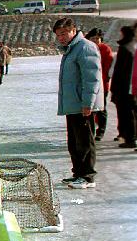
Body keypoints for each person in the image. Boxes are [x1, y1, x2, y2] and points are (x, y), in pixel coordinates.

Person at [53, 18, 103, 189]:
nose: (61, 37)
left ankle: (88, 176)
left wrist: (87, 103)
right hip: (73, 104)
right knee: (74, 142)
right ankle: (78, 173)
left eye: (64, 33)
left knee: (84, 141)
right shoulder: (71, 50)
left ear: (73, 31)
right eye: (58, 35)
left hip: (83, 105)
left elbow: (91, 78)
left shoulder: (85, 47)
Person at [110, 24, 136, 147]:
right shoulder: (127, 47)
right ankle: (126, 136)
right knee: (125, 114)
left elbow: (124, 72)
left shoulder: (127, 49)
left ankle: (130, 138)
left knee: (127, 114)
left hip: (124, 88)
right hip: (123, 87)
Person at [85, 28, 114, 141]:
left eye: (98, 38)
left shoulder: (105, 49)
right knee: (90, 109)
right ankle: (91, 130)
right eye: (93, 38)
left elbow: (109, 67)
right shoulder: (86, 49)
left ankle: (101, 131)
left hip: (102, 85)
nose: (96, 40)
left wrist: (105, 79)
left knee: (101, 109)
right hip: (88, 84)